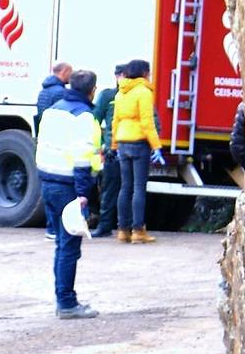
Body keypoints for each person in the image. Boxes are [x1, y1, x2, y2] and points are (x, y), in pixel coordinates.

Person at [34, 69, 101, 319]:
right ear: (92, 90)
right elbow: (83, 158)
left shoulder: (53, 110)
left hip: (48, 181)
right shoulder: (82, 116)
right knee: (70, 246)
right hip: (69, 187)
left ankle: (63, 299)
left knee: (62, 244)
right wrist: (84, 193)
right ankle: (67, 303)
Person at [111, 58, 158, 244]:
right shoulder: (143, 92)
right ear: (144, 73)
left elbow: (115, 122)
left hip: (123, 142)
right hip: (139, 143)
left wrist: (114, 145)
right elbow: (147, 122)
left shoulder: (120, 92)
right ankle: (138, 230)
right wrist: (156, 145)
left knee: (125, 187)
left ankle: (123, 230)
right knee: (139, 188)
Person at [89, 64, 127, 238]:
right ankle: (105, 226)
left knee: (129, 190)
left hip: (131, 149)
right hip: (112, 150)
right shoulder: (108, 95)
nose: (123, 78)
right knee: (109, 190)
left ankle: (127, 228)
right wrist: (99, 147)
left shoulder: (138, 94)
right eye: (120, 75)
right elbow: (94, 119)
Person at [34, 61, 73, 130]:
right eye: (71, 72)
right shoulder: (61, 92)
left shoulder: (44, 89)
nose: (72, 75)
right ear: (64, 72)